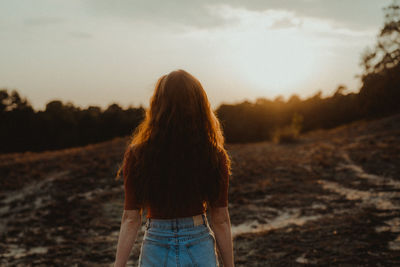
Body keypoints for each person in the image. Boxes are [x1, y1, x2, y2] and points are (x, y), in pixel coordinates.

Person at [113, 69, 234, 267]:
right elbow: (220, 219)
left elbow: (131, 219)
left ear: (158, 106)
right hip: (199, 244)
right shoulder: (214, 154)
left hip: (156, 246)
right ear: (200, 105)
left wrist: (118, 264)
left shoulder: (137, 154)